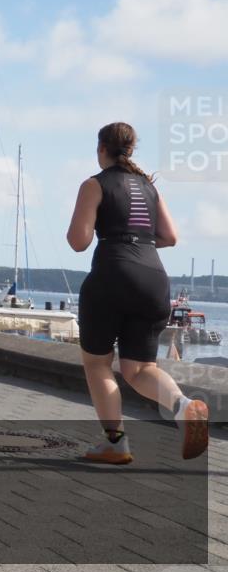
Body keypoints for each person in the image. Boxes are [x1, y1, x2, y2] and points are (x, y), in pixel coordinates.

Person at [67, 122, 207, 464]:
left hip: (113, 275)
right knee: (140, 368)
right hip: (154, 278)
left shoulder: (94, 184)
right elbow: (170, 237)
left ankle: (114, 442)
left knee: (98, 362)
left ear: (102, 149)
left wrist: (113, 236)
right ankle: (183, 406)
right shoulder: (149, 187)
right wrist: (140, 241)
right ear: (130, 150)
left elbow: (78, 241)